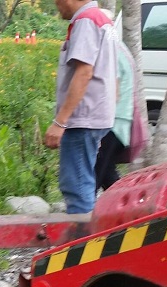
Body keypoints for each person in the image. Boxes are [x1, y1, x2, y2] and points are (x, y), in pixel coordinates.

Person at [44, 0, 118, 214]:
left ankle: (84, 243)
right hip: (96, 115)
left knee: (76, 185)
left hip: (83, 119)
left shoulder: (86, 21)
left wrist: (60, 122)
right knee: (84, 179)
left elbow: (84, 72)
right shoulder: (102, 20)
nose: (56, 5)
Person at [95, 16, 136, 192]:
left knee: (94, 175)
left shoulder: (111, 51)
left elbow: (113, 91)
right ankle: (130, 210)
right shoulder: (121, 48)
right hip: (121, 121)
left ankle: (81, 217)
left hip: (112, 122)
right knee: (107, 174)